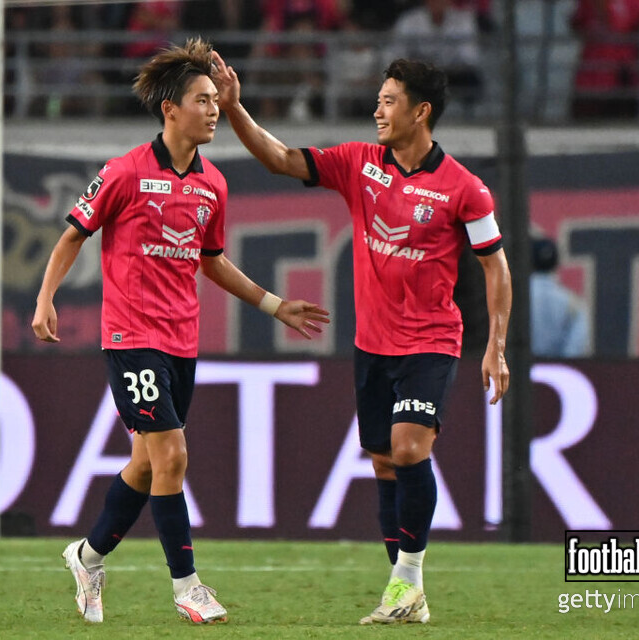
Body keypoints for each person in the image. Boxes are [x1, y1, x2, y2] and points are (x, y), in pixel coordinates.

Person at [31, 38, 329, 625]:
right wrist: (46, 298)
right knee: (173, 455)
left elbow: (211, 259)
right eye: (203, 100)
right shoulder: (123, 173)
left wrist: (274, 305)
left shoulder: (213, 184)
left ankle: (87, 556)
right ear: (171, 109)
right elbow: (72, 235)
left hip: (180, 341)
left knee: (147, 466)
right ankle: (188, 587)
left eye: (217, 100)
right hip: (131, 338)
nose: (214, 110)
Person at [211, 51, 512, 624]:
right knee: (382, 464)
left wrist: (495, 345)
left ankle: (407, 580)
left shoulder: (465, 189)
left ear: (421, 112)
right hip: (372, 344)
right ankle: (408, 600)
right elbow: (280, 158)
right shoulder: (359, 164)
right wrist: (235, 109)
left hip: (431, 341)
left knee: (407, 448)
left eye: (389, 101)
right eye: (378, 100)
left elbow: (496, 267)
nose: (377, 110)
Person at [530, 236, 590, 358]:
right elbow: (575, 347)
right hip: (559, 373)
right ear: (557, 263)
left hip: (519, 372)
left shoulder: (511, 300)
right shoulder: (572, 302)